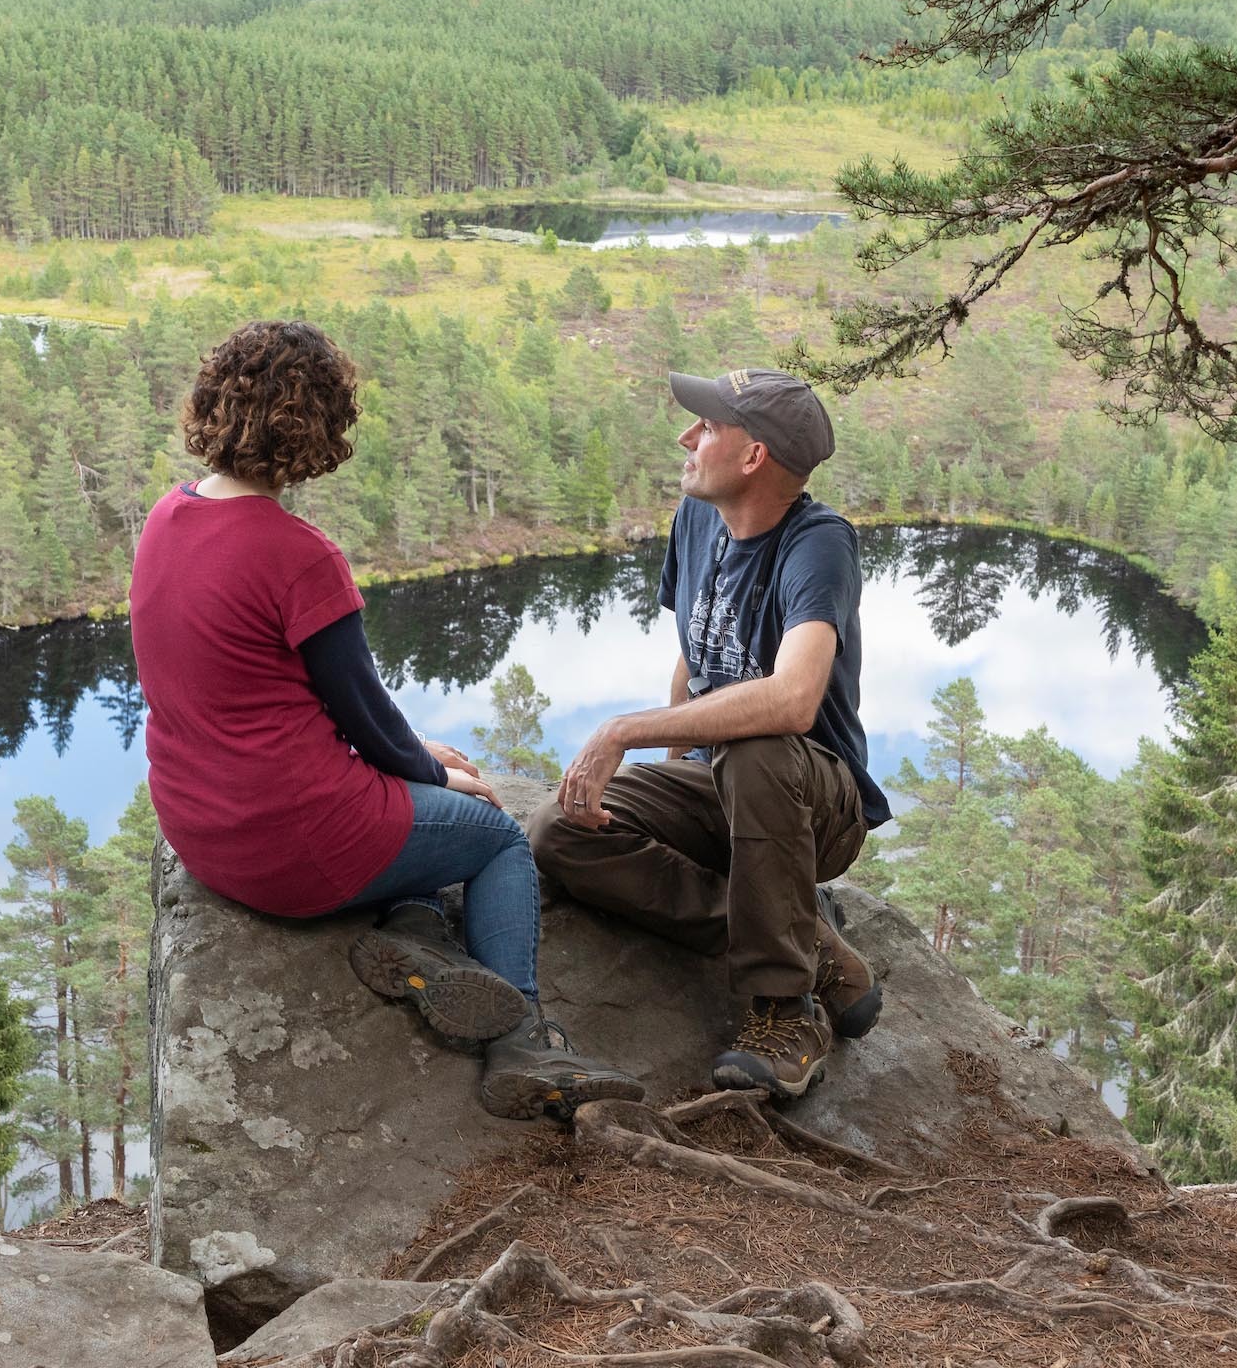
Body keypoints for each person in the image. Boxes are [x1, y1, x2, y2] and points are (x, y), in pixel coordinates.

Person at [129, 319, 641, 1121]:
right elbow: (366, 717)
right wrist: (434, 771)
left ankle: (417, 933)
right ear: (317, 425)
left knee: (419, 803)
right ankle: (525, 1043)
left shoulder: (167, 518)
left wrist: (413, 757)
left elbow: (286, 702)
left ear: (216, 401)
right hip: (296, 847)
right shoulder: (298, 555)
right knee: (495, 836)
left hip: (203, 834)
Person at [525, 367, 891, 1099]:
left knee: (756, 744)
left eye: (708, 426)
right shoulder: (697, 520)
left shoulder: (819, 545)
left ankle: (786, 1011)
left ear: (754, 456)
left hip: (813, 805)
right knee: (559, 830)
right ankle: (811, 943)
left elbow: (792, 701)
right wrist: (669, 775)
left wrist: (622, 732)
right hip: (721, 788)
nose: (685, 437)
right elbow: (693, 660)